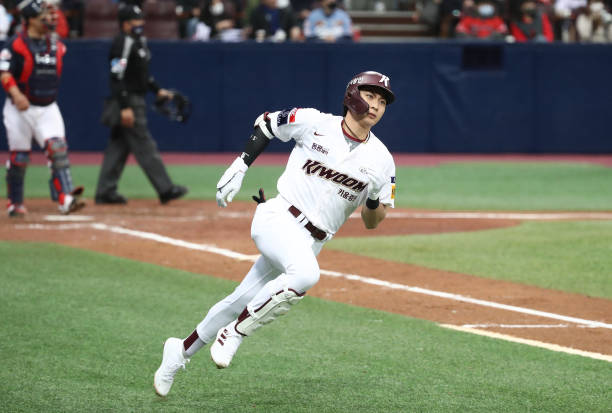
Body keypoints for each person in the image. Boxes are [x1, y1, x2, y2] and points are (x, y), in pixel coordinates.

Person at [152, 70, 397, 397]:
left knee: (237, 299)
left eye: (382, 101)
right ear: (352, 95)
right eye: (370, 96)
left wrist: (375, 199)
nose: (376, 105)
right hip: (278, 218)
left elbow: (372, 220)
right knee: (306, 275)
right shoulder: (315, 122)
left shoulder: (384, 161)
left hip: (312, 241)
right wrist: (241, 165)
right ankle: (235, 333)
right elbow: (267, 123)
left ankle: (179, 352)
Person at [94, 3, 188, 205]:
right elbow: (116, 77)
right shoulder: (123, 42)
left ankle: (105, 191)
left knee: (118, 146)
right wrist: (125, 106)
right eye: (136, 20)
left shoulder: (139, 42)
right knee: (144, 144)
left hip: (136, 98)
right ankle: (165, 188)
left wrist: (157, 90)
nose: (140, 23)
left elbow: (142, 75)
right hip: (128, 101)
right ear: (125, 23)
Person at [1, 0, 85, 217]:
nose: (48, 20)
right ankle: (15, 202)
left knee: (57, 149)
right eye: (42, 17)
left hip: (47, 107)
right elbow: (5, 73)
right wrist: (17, 94)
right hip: (20, 109)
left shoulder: (55, 44)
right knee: (19, 158)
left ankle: (65, 198)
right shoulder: (15, 45)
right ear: (29, 21)